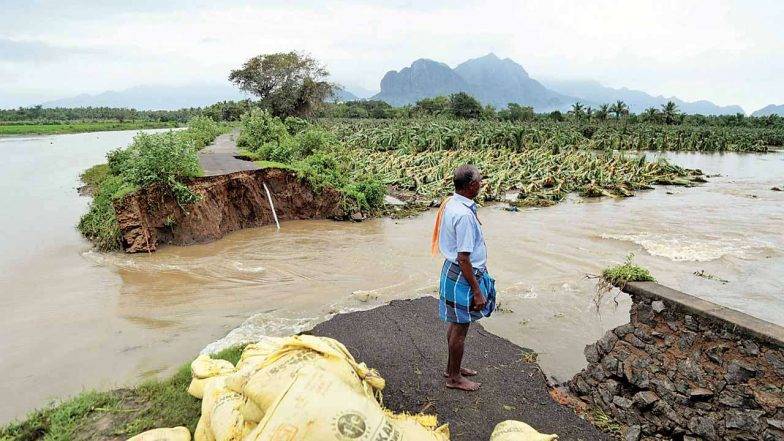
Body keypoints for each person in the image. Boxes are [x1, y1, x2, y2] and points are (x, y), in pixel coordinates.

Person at [432, 164, 496, 391]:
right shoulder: (464, 216)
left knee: (455, 324)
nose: (482, 183)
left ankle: (453, 369)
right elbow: (464, 258)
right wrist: (477, 290)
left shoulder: (452, 203)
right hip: (463, 273)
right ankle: (454, 379)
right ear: (471, 186)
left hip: (452, 269)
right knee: (460, 328)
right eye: (479, 180)